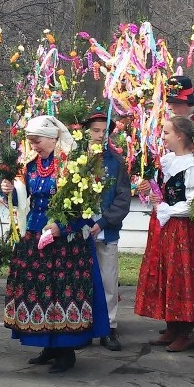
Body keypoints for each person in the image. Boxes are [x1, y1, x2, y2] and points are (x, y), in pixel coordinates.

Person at [0, 115, 110, 374]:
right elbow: (23, 198)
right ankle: (47, 345)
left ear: (52, 138)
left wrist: (62, 228)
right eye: (30, 141)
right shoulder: (30, 165)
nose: (34, 145)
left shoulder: (73, 165)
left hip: (65, 242)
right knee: (39, 291)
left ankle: (65, 351)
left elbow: (87, 206)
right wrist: (9, 189)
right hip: (36, 235)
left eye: (36, 141)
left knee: (63, 292)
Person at [134, 115, 194, 352]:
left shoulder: (193, 164)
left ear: (180, 135)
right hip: (166, 224)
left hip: (183, 227)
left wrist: (165, 208)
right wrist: (151, 193)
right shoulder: (169, 160)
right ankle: (172, 325)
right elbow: (164, 192)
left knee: (182, 276)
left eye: (167, 133)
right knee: (166, 274)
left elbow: (192, 203)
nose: (163, 137)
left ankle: (186, 331)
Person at [82, 109, 131, 351]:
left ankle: (109, 326)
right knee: (81, 278)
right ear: (86, 132)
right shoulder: (75, 159)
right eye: (95, 130)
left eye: (104, 131)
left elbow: (122, 199)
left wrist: (103, 222)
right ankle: (82, 324)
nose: (100, 135)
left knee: (108, 279)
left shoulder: (116, 162)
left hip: (105, 230)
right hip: (80, 229)